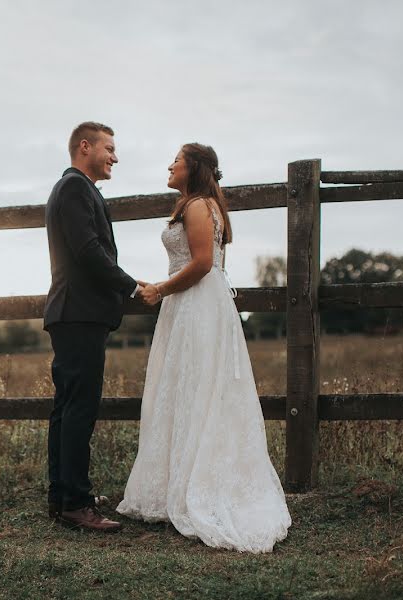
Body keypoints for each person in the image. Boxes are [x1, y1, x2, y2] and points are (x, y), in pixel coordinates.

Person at [116, 143, 291, 552]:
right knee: (190, 386)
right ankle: (179, 481)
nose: (170, 164)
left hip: (195, 303)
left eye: (176, 159)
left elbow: (201, 264)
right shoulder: (201, 204)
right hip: (194, 303)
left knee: (196, 386)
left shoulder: (197, 206)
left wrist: (160, 288)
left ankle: (196, 486)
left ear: (192, 167)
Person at [43, 121, 143, 532]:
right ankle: (76, 504)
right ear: (85, 147)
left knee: (67, 410)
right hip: (78, 312)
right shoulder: (73, 188)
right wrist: (132, 287)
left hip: (75, 313)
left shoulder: (79, 190)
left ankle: (63, 496)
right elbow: (88, 251)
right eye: (109, 148)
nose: (115, 157)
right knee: (78, 409)